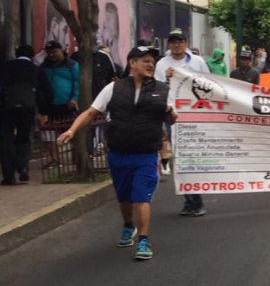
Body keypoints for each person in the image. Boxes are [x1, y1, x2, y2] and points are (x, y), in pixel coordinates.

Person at [57, 46, 176, 260]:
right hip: (119, 154)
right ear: (132, 63)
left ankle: (143, 241)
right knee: (124, 198)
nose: (151, 64)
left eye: (153, 61)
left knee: (141, 197)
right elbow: (91, 112)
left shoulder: (162, 90)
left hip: (146, 154)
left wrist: (170, 111)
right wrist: (72, 130)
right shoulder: (114, 88)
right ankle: (128, 225)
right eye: (145, 60)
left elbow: (172, 119)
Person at [156, 29, 209, 216]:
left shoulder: (197, 61)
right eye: (173, 41)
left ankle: (196, 200)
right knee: (181, 157)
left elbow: (208, 84)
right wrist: (167, 79)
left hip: (195, 114)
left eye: (180, 41)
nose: (177, 44)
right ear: (169, 44)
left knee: (193, 157)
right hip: (173, 115)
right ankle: (190, 200)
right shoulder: (162, 64)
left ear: (186, 43)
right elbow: (157, 89)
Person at [0, 45, 52, 184]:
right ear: (32, 55)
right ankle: (23, 167)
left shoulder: (6, 67)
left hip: (7, 108)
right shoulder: (36, 70)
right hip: (27, 108)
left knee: (6, 140)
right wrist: (43, 111)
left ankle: (8, 176)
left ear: (16, 54)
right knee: (23, 138)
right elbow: (47, 92)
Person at [39, 40, 80, 166]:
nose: (52, 55)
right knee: (49, 133)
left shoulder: (72, 65)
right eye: (49, 52)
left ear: (61, 50)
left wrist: (75, 98)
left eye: (55, 51)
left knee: (70, 131)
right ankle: (54, 159)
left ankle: (76, 157)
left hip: (67, 104)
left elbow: (77, 82)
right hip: (48, 105)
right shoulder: (44, 66)